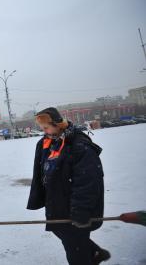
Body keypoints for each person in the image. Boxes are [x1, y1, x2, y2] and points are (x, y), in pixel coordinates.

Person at [27, 107, 110, 265]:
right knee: (62, 232)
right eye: (42, 128)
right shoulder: (48, 142)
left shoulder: (78, 145)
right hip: (57, 202)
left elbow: (88, 182)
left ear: (58, 124)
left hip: (74, 207)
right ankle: (95, 252)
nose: (44, 131)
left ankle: (92, 254)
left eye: (46, 127)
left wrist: (80, 210)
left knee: (76, 253)